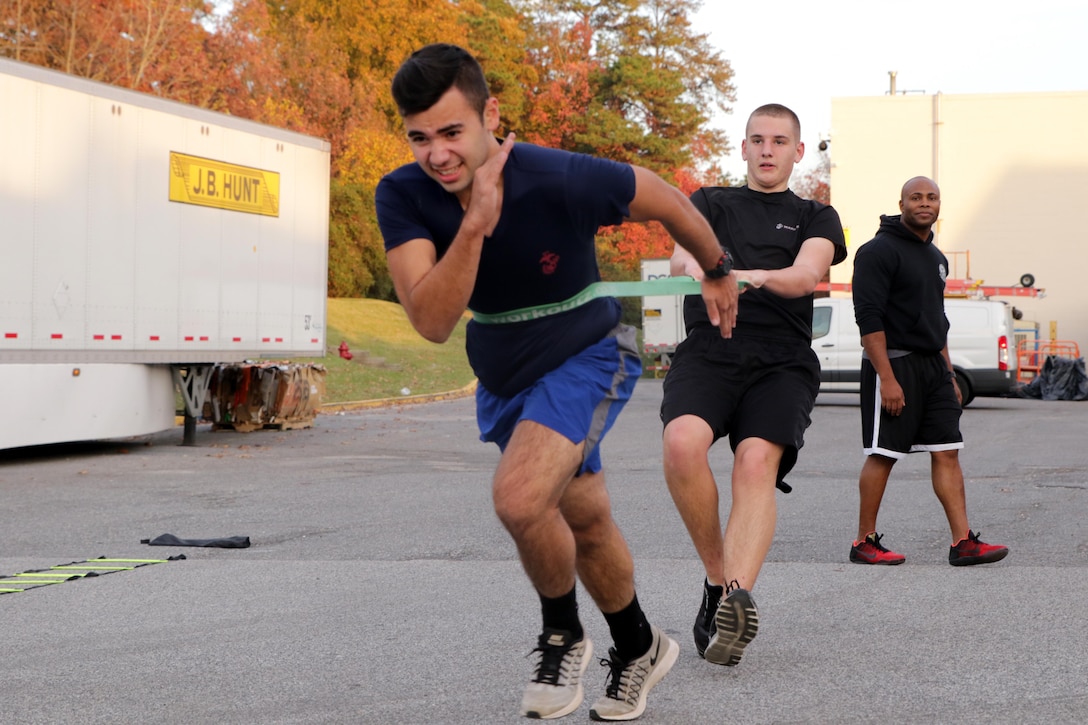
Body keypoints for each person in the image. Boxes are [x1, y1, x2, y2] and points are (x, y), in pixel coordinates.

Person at [375, 43, 740, 721]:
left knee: (518, 499)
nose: (438, 154)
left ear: (491, 115)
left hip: (589, 350)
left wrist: (717, 265)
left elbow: (661, 195)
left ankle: (562, 632)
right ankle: (638, 645)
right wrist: (475, 225)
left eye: (452, 132)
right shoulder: (401, 193)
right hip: (505, 369)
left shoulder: (555, 175)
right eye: (419, 138)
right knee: (585, 517)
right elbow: (430, 318)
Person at [660, 104, 847, 667]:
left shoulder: (818, 215)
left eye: (780, 141)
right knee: (681, 444)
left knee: (754, 463)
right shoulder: (709, 201)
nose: (768, 150)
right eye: (758, 140)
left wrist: (743, 276)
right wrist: (710, 270)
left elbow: (804, 275)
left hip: (782, 360)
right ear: (743, 148)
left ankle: (734, 600)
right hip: (710, 348)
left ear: (797, 151)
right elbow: (679, 260)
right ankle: (719, 585)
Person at [848, 176, 1009, 567]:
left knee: (947, 450)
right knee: (884, 453)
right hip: (894, 364)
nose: (925, 203)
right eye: (916, 197)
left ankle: (962, 543)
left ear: (939, 204)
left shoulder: (936, 257)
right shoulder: (877, 251)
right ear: (901, 203)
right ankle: (864, 543)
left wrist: (949, 373)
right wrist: (887, 378)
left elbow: (938, 317)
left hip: (934, 368)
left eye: (932, 197)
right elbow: (867, 318)